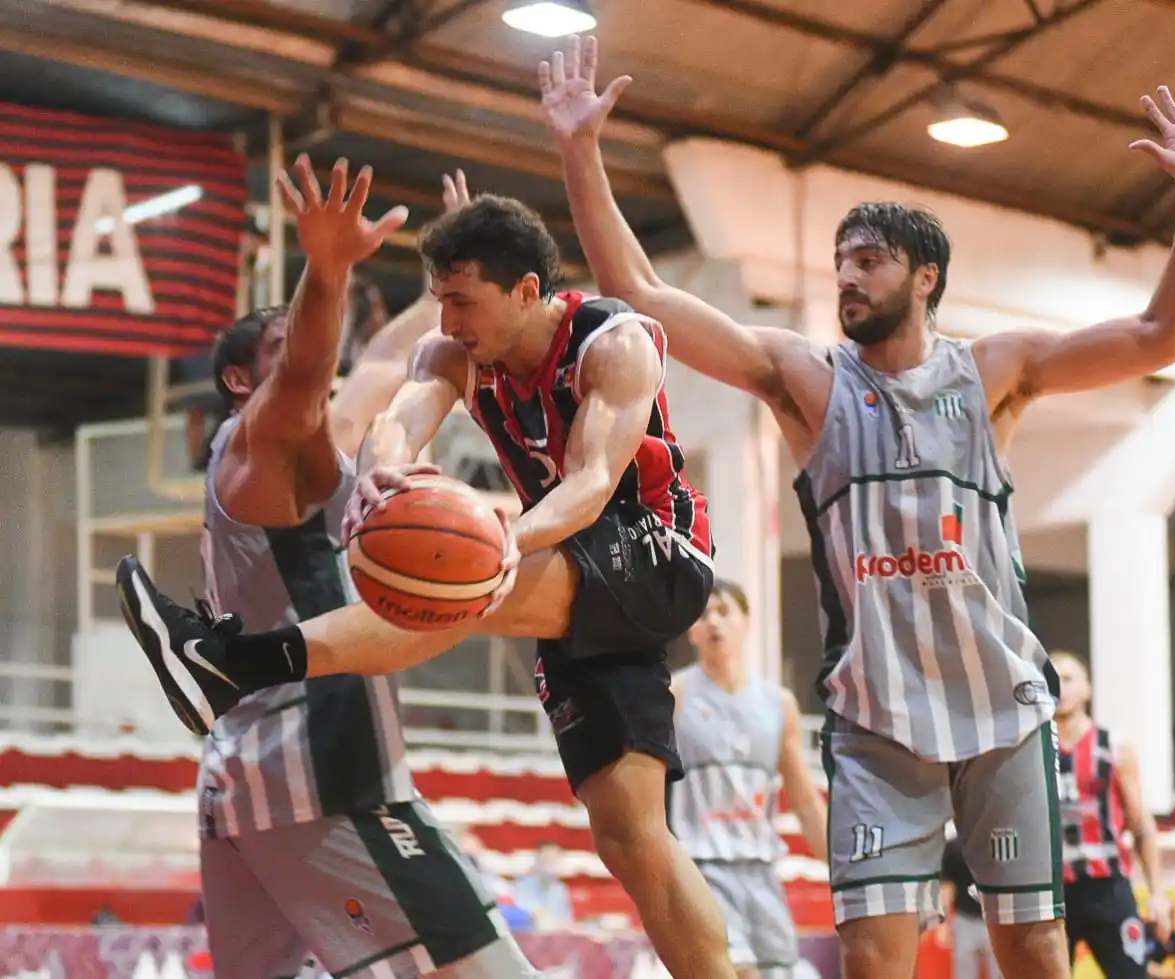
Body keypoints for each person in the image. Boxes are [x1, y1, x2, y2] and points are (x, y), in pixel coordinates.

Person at [538, 33, 1175, 979]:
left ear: (925, 277)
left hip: (1002, 712)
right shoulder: (806, 381)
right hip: (877, 720)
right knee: (871, 957)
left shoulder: (997, 371)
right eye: (840, 260)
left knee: (1033, 950)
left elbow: (1164, 332)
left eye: (868, 259)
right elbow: (638, 291)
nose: (846, 277)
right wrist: (581, 150)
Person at [115, 177, 738, 979]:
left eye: (465, 302)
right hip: (567, 576)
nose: (449, 321)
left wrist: (502, 537)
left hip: (650, 551)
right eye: (440, 299)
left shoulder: (613, 342)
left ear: (526, 290)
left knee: (456, 582)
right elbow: (402, 413)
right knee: (629, 835)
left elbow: (588, 485)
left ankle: (235, 663)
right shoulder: (453, 349)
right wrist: (385, 474)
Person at [121, 154, 538, 979]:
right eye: (283, 344)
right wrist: (329, 264)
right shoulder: (253, 446)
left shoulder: (320, 444)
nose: (318, 350)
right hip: (321, 776)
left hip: (246, 778)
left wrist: (438, 286)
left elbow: (379, 363)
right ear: (241, 380)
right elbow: (312, 365)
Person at [668, 578, 828, 979]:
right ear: (692, 631)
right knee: (736, 972)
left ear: (746, 623)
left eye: (724, 611)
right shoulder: (676, 695)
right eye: (704, 615)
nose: (714, 622)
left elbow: (806, 801)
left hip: (761, 868)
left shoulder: (778, 704)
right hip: (702, 865)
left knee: (779, 971)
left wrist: (842, 870)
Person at [1051, 651, 1170, 979]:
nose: (1059, 687)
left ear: (1087, 689)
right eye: (1052, 678)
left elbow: (1141, 823)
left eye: (1069, 679)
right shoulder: (1034, 751)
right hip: (1053, 891)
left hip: (1107, 886)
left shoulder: (1114, 747)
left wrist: (1158, 893)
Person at [940, 837, 1002, 979]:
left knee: (1000, 973)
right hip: (965, 920)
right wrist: (946, 922)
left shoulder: (995, 844)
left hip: (995, 920)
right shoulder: (954, 848)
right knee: (964, 974)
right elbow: (948, 886)